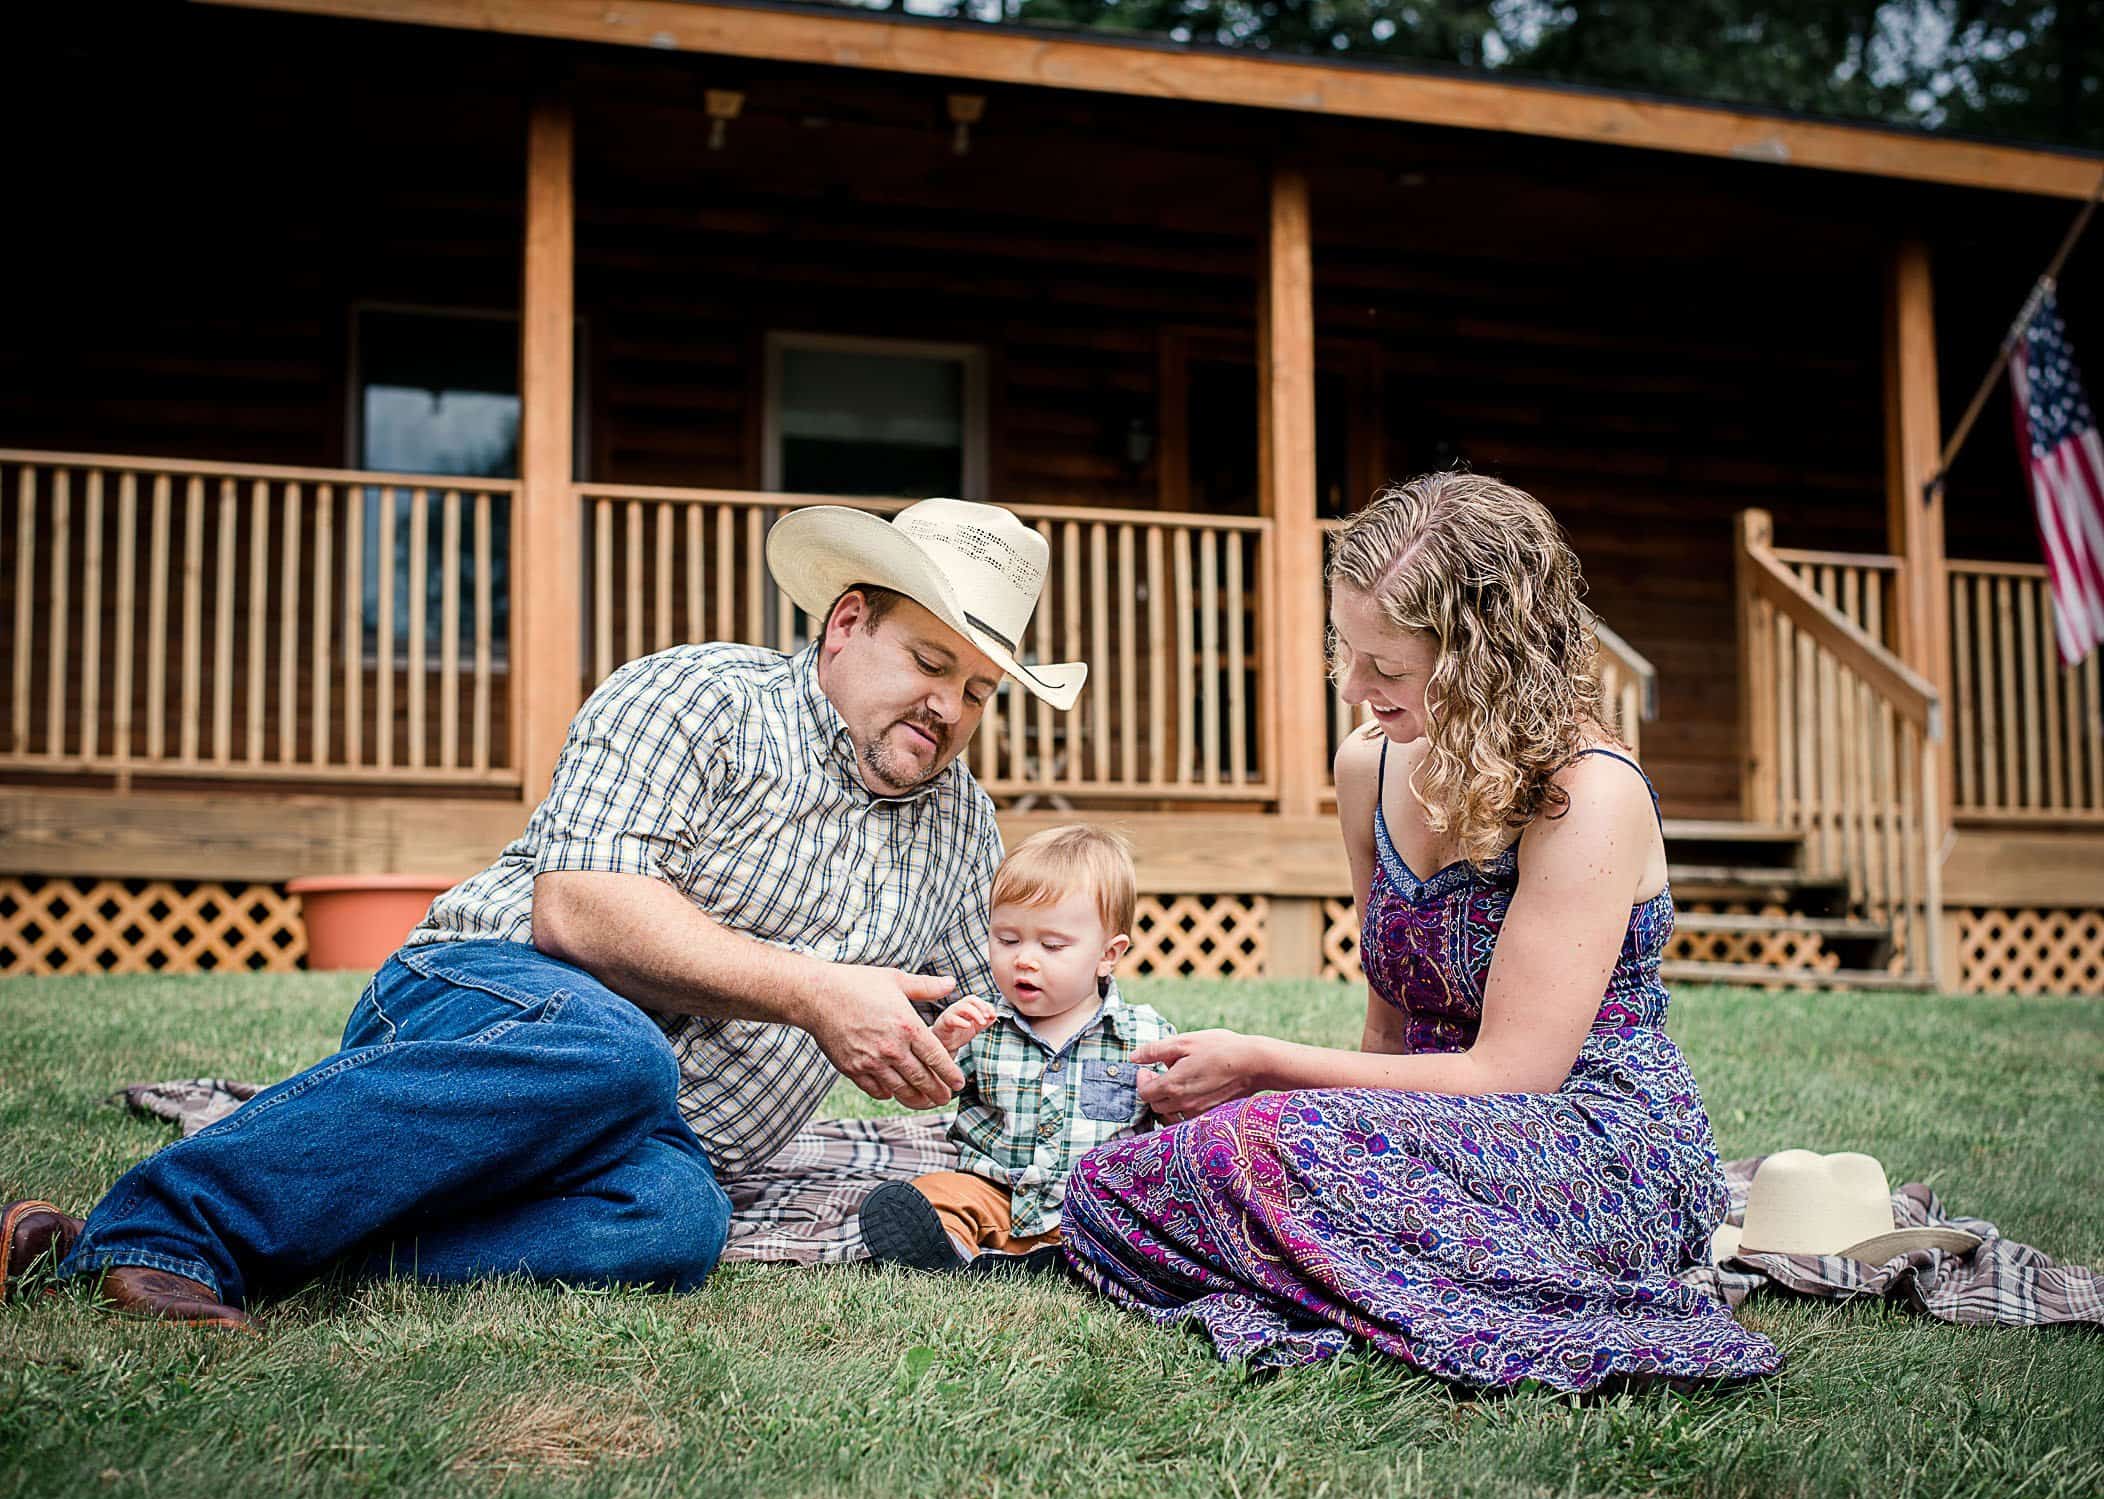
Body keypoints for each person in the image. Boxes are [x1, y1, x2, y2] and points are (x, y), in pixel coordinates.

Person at [1, 498, 1087, 1329]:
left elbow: (998, 1011)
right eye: (931, 662)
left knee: (676, 1223)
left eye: (983, 690)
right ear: (847, 622)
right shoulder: (704, 697)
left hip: (652, 1145)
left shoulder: (962, 824)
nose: (951, 709)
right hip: (484, 1010)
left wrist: (969, 1040)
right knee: (618, 1052)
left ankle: (228, 1252)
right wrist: (816, 993)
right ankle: (162, 1229)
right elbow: (578, 911)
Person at [1060, 473, 1785, 1392]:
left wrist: (1265, 1069)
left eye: (1388, 667)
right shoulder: (1368, 766)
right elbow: (1389, 1031)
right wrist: (1309, 1114)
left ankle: (1359, 1277)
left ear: (1488, 658)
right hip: (1428, 1127)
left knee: (1255, 1146)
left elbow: (1511, 1075)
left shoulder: (1588, 792)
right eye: (1345, 650)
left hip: (1589, 1138)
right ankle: (1347, 1264)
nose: (1355, 688)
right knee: (1107, 1183)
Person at [859, 825, 1174, 1275]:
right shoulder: (981, 1025)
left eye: (1051, 945)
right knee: (936, 1195)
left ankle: (1072, 1257)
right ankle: (953, 1255)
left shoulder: (1142, 1036)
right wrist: (943, 1044)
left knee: (1152, 1223)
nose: (1025, 958)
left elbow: (1177, 1122)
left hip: (1094, 1207)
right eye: (1007, 940)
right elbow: (928, 1091)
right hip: (996, 1194)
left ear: (1108, 953)